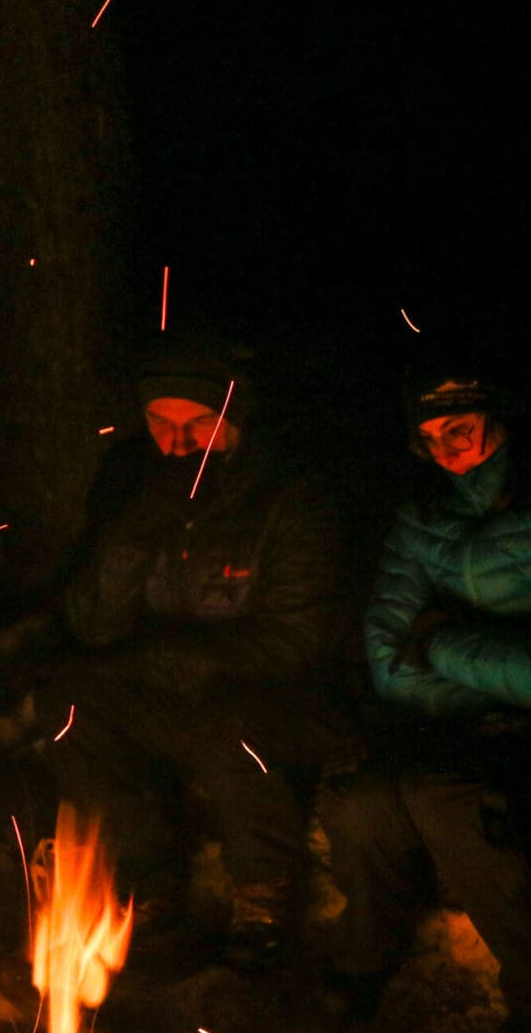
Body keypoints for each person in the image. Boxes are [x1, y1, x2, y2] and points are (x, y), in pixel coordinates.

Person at [317, 364, 531, 1033]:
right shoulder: (423, 516)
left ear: (504, 417)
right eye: (430, 439)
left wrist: (443, 641)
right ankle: (367, 953)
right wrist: (498, 674)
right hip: (453, 724)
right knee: (364, 802)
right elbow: (389, 657)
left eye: (461, 430)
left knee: (447, 797)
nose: (448, 452)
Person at [42, 339, 346, 970]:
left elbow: (293, 641)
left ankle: (263, 892)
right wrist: (132, 533)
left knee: (227, 727)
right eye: (161, 423)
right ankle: (151, 883)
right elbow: (91, 624)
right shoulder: (136, 483)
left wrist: (175, 660)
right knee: (70, 707)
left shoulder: (287, 499)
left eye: (199, 424)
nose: (178, 443)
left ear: (236, 419)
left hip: (265, 698)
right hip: (163, 688)